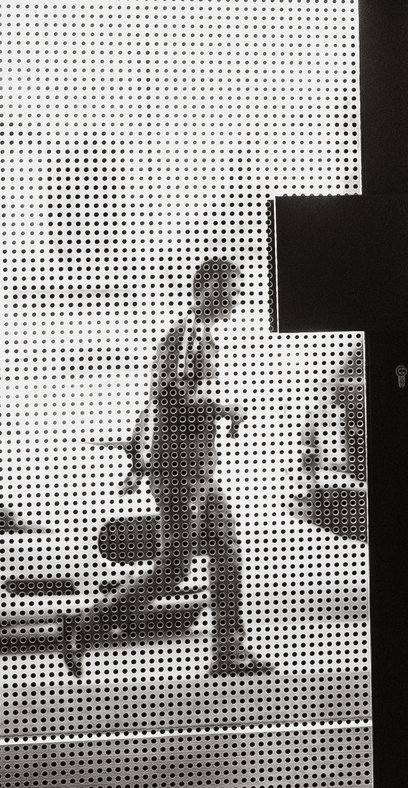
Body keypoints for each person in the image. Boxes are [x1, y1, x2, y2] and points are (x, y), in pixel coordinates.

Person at [62, 257, 269, 678]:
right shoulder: (186, 335)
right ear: (206, 287)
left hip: (198, 470)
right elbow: (165, 397)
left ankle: (229, 652)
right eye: (230, 286)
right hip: (179, 470)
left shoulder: (204, 337)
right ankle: (86, 627)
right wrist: (224, 409)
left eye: (239, 287)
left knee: (227, 552)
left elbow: (166, 401)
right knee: (175, 564)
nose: (236, 296)